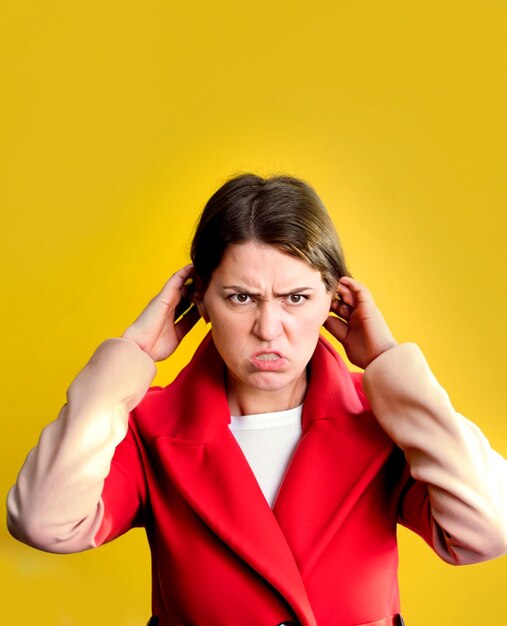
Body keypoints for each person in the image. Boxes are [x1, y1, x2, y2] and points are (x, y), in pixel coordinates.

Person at [6, 173, 507, 626]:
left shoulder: (383, 421)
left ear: (335, 302)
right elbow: (44, 524)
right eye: (241, 297)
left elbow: (487, 531)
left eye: (296, 298)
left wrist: (391, 366)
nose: (269, 330)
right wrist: (127, 359)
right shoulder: (150, 426)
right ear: (198, 299)